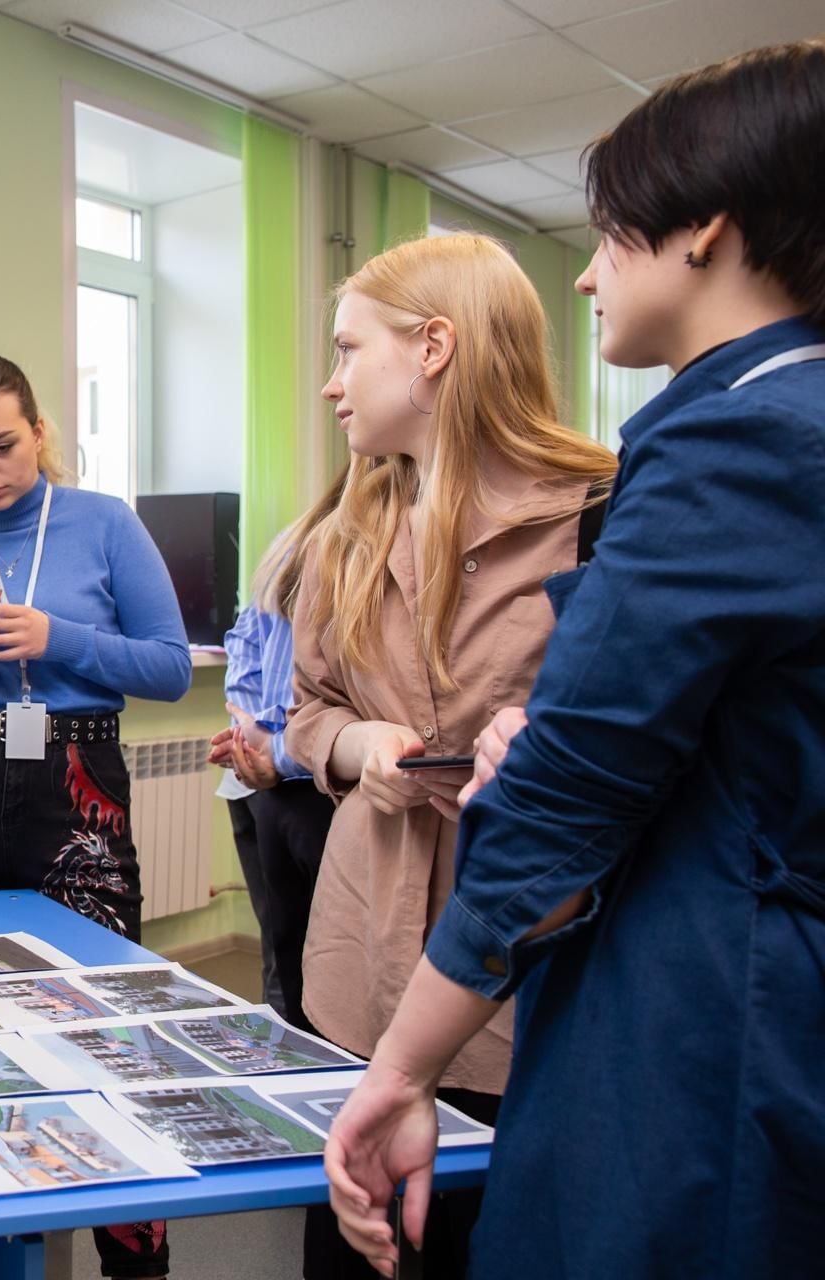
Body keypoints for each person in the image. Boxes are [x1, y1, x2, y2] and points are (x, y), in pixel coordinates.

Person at [324, 41, 825, 1280]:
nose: (591, 274)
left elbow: (569, 799)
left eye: (610, 235)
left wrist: (400, 1070)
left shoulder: (733, 444)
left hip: (697, 1009)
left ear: (703, 230)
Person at [284, 233, 618, 1277]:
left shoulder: (603, 515)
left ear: (433, 347)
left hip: (527, 975)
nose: (332, 385)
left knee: (491, 1238)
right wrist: (354, 741)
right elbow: (307, 710)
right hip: (358, 957)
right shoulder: (345, 531)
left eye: (349, 349)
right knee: (349, 1238)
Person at [0, 354, 191, 1280]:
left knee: (103, 1029)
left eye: (4, 445)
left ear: (42, 432)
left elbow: (171, 667)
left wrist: (60, 640)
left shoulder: (105, 524)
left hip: (77, 780)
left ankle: (132, 1260)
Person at [209, 466, 345, 1034]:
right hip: (297, 784)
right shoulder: (319, 542)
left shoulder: (303, 536)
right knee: (307, 965)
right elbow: (247, 635)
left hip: (275, 775)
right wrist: (261, 741)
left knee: (285, 956)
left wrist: (256, 736)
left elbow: (242, 641)